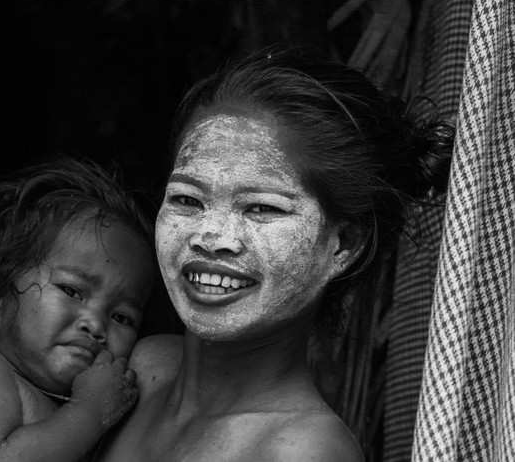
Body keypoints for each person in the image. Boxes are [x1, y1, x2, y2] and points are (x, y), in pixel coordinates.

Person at [96, 49, 452, 461]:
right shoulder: (140, 369)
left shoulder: (302, 451)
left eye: (262, 208)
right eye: (187, 199)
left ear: (344, 245)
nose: (212, 236)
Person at [0, 158, 158, 462]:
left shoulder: (78, 409)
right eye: (72, 291)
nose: (96, 324)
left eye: (122, 317)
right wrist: (91, 411)